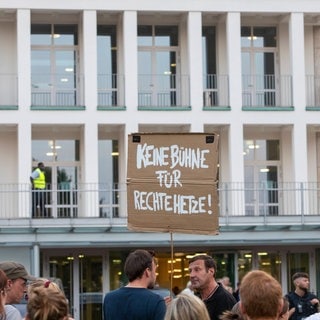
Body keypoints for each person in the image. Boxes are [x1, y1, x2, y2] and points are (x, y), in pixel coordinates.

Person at [103, 249, 166, 320]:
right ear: (147, 271)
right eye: (155, 270)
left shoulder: (109, 299)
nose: (155, 275)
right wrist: (161, 307)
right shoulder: (156, 302)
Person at [188, 254, 236, 320]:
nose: (191, 275)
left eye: (197, 270)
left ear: (211, 271)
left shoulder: (225, 300)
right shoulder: (196, 299)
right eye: (190, 271)